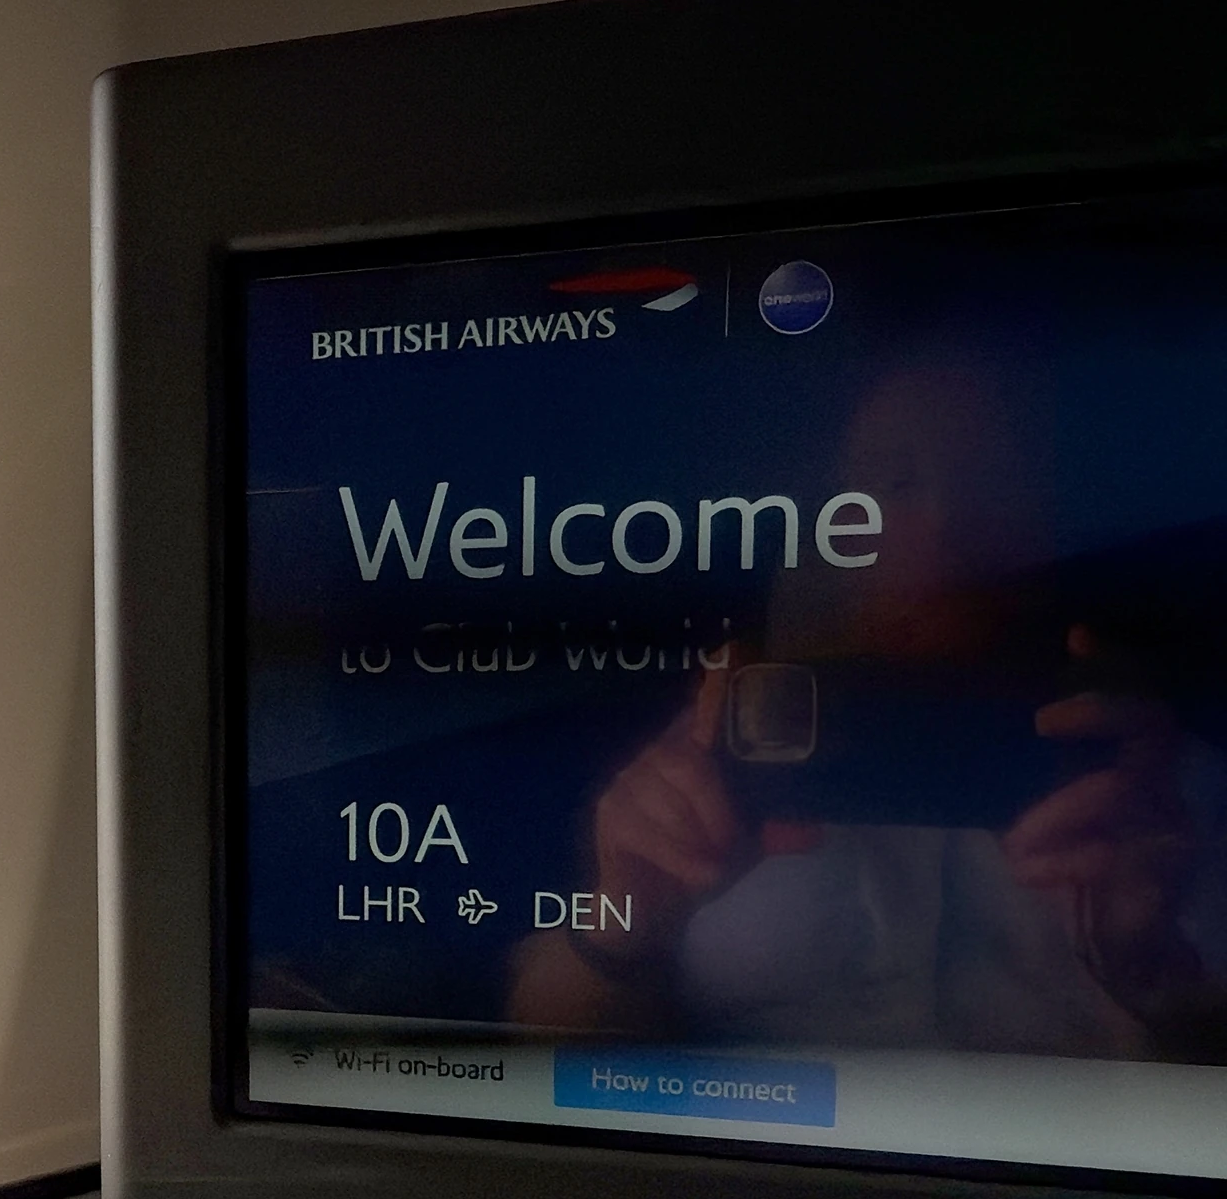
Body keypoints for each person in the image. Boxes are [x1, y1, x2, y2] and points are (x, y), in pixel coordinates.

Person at [509, 358, 1227, 1058]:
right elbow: (529, 1052)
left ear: (1056, 517)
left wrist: (1153, 964)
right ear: (825, 522)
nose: (947, 530)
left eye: (992, 485)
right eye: (895, 482)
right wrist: (623, 922)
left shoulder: (1163, 793)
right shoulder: (706, 754)